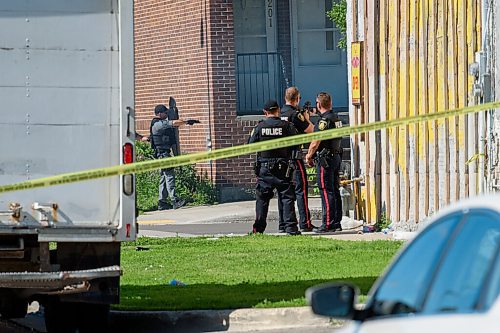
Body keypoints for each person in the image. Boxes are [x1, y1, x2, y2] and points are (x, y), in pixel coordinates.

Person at [248, 100, 301, 235]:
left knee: (262, 199)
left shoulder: (259, 127)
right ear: (278, 110)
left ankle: (258, 229)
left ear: (265, 112)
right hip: (283, 168)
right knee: (287, 198)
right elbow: (297, 145)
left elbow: (250, 145)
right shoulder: (287, 126)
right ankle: (291, 228)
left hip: (265, 169)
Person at [277, 86, 316, 232]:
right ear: (297, 99)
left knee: (284, 192)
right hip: (294, 157)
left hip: (280, 158)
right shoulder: (295, 115)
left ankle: (283, 224)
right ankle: (305, 223)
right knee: (301, 189)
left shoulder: (280, 113)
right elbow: (312, 130)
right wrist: (306, 118)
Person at [305, 92, 343, 233]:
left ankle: (327, 224)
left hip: (325, 160)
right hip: (335, 157)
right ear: (330, 103)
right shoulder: (335, 118)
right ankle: (336, 222)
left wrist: (309, 155)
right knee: (334, 190)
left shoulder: (323, 121)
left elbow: (315, 142)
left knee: (326, 191)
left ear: (319, 104)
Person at [150, 104, 200, 210]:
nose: (167, 114)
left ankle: (162, 202)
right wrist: (186, 122)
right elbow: (174, 123)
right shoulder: (159, 124)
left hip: (161, 154)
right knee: (170, 176)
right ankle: (175, 200)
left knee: (164, 178)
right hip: (163, 155)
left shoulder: (156, 124)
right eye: (165, 112)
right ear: (159, 114)